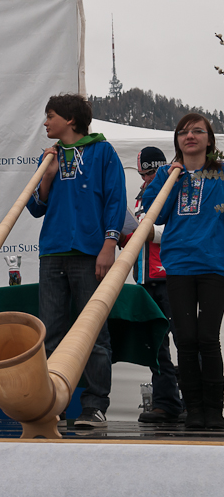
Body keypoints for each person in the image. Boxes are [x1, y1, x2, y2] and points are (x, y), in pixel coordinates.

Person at [26, 93, 126, 428]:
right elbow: (36, 207)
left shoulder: (103, 152)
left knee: (94, 333)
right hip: (53, 252)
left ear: (70, 119)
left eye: (50, 115)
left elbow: (115, 200)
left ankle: (95, 406)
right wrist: (48, 176)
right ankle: (53, 403)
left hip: (89, 253)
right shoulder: (49, 156)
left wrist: (109, 243)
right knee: (51, 333)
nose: (45, 122)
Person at [143, 113, 224, 430]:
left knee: (207, 337)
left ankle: (214, 411)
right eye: (184, 132)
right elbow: (155, 215)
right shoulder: (167, 173)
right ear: (177, 139)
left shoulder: (220, 173)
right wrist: (172, 179)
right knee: (185, 339)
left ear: (209, 138)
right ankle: (193, 410)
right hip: (177, 265)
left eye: (198, 131)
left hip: (214, 265)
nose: (190, 136)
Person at [119, 146, 183, 423]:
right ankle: (166, 403)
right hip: (145, 279)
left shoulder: (176, 186)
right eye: (144, 175)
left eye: (151, 173)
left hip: (171, 276)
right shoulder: (141, 196)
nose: (147, 179)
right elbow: (134, 239)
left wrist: (145, 232)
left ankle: (198, 402)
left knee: (185, 341)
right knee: (155, 345)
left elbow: (177, 229)